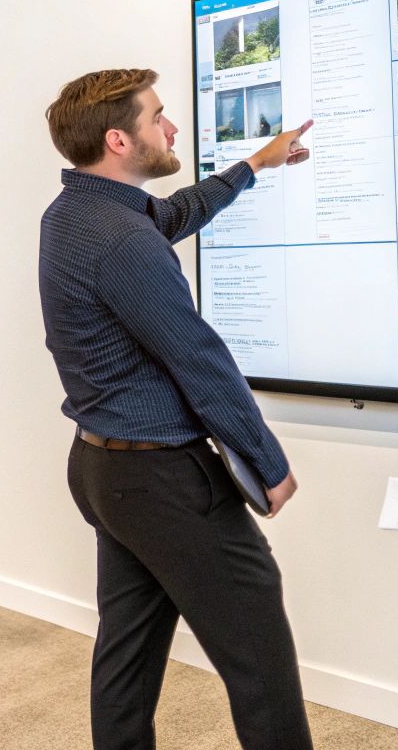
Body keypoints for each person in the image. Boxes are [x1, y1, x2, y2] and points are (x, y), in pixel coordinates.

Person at [39, 68, 315, 750]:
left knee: (127, 653)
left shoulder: (77, 212)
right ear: (118, 140)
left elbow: (176, 212)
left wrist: (254, 164)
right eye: (158, 117)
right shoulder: (122, 240)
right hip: (164, 479)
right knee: (260, 657)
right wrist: (267, 461)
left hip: (105, 471)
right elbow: (198, 357)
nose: (171, 128)